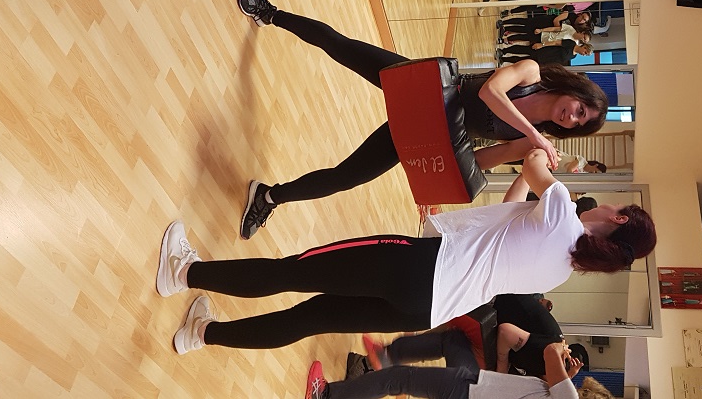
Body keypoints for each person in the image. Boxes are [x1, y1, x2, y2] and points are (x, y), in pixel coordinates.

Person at [156, 148, 657, 352]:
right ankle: (203, 333)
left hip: (418, 267)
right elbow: (512, 211)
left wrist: (545, 156)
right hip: (426, 309)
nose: (612, 200)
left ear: (619, 219)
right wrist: (533, 175)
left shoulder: (562, 209)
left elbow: (531, 165)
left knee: (293, 272)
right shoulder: (559, 271)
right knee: (309, 318)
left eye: (620, 205)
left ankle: (184, 273)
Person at [234, 0, 609, 240]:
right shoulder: (531, 74)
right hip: (426, 89)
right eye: (580, 109)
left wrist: (440, 184)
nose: (572, 118)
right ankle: (271, 13)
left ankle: (269, 197)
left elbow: (479, 160)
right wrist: (537, 136)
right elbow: (490, 92)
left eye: (580, 123)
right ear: (575, 92)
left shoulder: (528, 140)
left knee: (345, 177)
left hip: (428, 131)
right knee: (341, 46)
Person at [305, 336, 593, 399]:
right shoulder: (563, 394)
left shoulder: (569, 398)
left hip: (469, 391)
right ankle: (381, 359)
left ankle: (328, 395)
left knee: (399, 379)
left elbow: (550, 351)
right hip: (474, 386)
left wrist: (561, 347)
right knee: (453, 342)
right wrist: (565, 377)